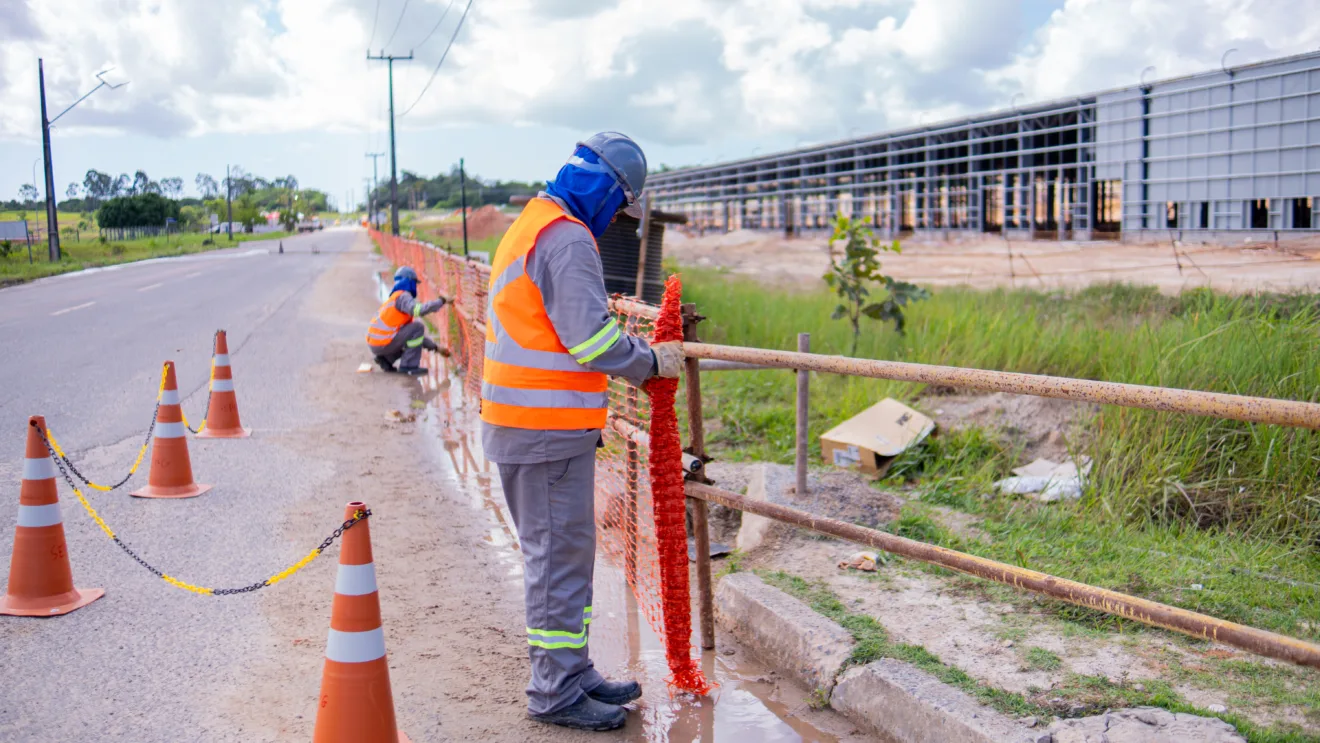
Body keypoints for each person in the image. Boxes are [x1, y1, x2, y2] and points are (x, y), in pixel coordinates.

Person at [480, 132, 684, 731]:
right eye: (620, 203)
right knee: (556, 562)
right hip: (542, 432)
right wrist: (651, 362)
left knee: (566, 557)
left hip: (535, 428)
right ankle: (554, 692)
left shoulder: (535, 223)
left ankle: (572, 671)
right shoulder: (567, 239)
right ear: (604, 190)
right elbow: (590, 339)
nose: (618, 216)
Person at [366, 266, 449, 375]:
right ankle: (409, 365)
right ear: (408, 281)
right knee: (417, 327)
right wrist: (441, 301)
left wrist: (436, 348)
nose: (415, 286)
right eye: (414, 283)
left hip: (376, 344)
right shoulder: (403, 297)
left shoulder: (395, 297)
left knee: (412, 333)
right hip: (383, 343)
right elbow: (419, 310)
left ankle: (387, 359)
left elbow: (415, 337)